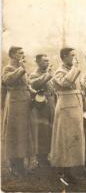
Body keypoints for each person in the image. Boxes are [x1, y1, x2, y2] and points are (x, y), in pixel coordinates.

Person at [49, 48, 86, 183]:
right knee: (64, 140)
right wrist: (75, 69)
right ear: (64, 57)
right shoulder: (59, 71)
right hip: (65, 110)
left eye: (75, 55)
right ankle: (63, 171)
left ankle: (71, 170)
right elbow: (64, 84)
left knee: (74, 140)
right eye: (72, 55)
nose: (75, 58)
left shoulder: (73, 71)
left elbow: (81, 92)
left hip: (75, 109)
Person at [2, 46, 33, 176]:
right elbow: (7, 80)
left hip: (24, 104)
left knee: (22, 134)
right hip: (14, 104)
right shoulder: (8, 68)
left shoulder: (21, 68)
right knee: (14, 134)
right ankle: (14, 165)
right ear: (13, 55)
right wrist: (21, 69)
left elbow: (26, 84)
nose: (22, 55)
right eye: (20, 53)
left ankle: (21, 163)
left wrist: (32, 92)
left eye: (23, 52)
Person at [29, 54, 55, 167]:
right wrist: (47, 75)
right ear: (38, 62)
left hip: (51, 104)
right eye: (44, 61)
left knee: (50, 130)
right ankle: (41, 159)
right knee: (41, 132)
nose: (47, 63)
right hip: (40, 106)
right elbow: (35, 84)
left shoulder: (48, 74)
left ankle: (46, 157)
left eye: (48, 60)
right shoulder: (34, 74)